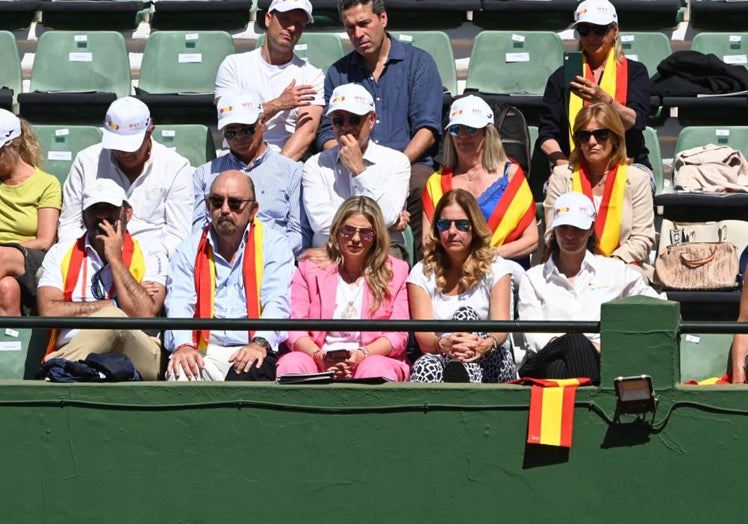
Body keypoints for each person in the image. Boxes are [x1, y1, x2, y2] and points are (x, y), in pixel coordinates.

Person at [317, 0, 443, 257]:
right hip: (350, 161)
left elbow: (427, 129)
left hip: (409, 164)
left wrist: (393, 169)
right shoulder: (338, 73)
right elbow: (327, 133)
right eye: (350, 27)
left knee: (424, 182)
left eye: (364, 23)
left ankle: (424, 269)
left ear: (383, 19)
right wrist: (345, 162)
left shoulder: (418, 63)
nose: (358, 34)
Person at [519, 192, 664, 384]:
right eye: (563, 228)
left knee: (564, 363)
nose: (570, 235)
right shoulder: (533, 277)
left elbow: (658, 306)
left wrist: (606, 345)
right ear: (554, 230)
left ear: (590, 230)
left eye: (578, 228)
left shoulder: (614, 270)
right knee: (574, 342)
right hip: (547, 357)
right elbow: (535, 334)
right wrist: (585, 345)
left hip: (596, 360)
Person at [165, 170, 294, 382]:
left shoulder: (274, 245)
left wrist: (259, 343)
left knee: (249, 372)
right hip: (203, 350)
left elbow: (276, 303)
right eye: (217, 202)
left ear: (253, 209)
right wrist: (183, 346)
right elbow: (180, 302)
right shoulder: (189, 248)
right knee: (179, 372)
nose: (224, 210)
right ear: (208, 206)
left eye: (234, 203)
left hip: (252, 347)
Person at [37, 179, 167, 381]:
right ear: (83, 216)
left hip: (139, 354)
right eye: (94, 209)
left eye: (110, 208)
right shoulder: (61, 252)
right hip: (74, 347)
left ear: (128, 213)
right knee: (112, 314)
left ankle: (58, 371)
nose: (101, 216)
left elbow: (145, 313)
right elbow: (48, 311)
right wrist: (114, 304)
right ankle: (71, 370)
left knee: (112, 319)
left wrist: (116, 259)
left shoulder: (152, 252)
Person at [277, 196, 410, 381]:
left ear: (377, 236)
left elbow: (398, 334)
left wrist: (363, 354)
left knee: (374, 368)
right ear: (336, 231)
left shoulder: (396, 272)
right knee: (292, 364)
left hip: (370, 357)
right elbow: (293, 328)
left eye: (365, 233)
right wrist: (319, 356)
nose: (356, 239)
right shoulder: (309, 268)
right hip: (317, 358)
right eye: (348, 230)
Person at [57, 96, 193, 259]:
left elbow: (178, 234)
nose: (123, 152)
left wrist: (148, 263)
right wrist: (80, 259)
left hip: (151, 259)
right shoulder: (86, 160)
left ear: (150, 131)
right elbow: (69, 225)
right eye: (117, 144)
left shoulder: (176, 166)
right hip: (93, 256)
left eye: (130, 145)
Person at [408, 189, 516, 383]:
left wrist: (483, 344)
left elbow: (501, 330)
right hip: (442, 353)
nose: (451, 232)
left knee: (464, 315)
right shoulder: (421, 272)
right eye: (444, 224)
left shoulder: (496, 266)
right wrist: (445, 344)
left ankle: (462, 391)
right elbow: (425, 340)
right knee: (424, 366)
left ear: (474, 228)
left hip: (489, 355)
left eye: (461, 225)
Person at [423, 95, 538, 277]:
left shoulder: (511, 176)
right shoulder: (436, 182)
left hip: (501, 269)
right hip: (451, 271)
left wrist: (484, 257)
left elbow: (531, 240)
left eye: (471, 129)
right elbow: (428, 241)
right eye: (455, 129)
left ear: (487, 133)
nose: (462, 136)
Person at [538, 0, 651, 184]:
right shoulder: (561, 77)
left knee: (634, 185)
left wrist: (604, 99)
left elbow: (635, 121)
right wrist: (563, 164)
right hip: (575, 164)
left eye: (599, 30)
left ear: (615, 31)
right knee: (556, 186)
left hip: (629, 162)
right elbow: (547, 133)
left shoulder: (635, 72)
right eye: (584, 30)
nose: (592, 37)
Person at [193, 92, 308, 258]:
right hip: (218, 261)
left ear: (262, 123)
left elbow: (299, 233)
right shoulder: (204, 174)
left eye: (247, 130)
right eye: (231, 132)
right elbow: (198, 229)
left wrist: (264, 256)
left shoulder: (292, 171)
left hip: (273, 263)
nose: (239, 137)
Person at [544, 102, 655, 268]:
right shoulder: (562, 176)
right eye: (584, 136)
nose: (592, 141)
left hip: (622, 265)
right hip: (572, 263)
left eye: (601, 135)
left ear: (616, 138)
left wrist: (610, 266)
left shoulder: (637, 179)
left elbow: (642, 239)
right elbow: (552, 233)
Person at [303, 82, 409, 254]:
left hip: (378, 253)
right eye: (338, 121)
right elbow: (320, 222)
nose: (346, 128)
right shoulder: (315, 165)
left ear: (372, 120)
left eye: (354, 120)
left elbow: (387, 215)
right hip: (331, 252)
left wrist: (359, 171)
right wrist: (377, 225)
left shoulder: (396, 161)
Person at [214, 0, 323, 161]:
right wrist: (278, 104)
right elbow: (231, 119)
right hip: (236, 157)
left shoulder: (312, 75)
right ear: (268, 19)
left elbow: (307, 132)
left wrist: (274, 169)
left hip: (285, 161)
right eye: (285, 19)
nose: (292, 28)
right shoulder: (233, 65)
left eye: (299, 23)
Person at [0, 110, 61, 316]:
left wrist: (6, 250)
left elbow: (44, 241)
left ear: (15, 145)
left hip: (32, 258)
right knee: (7, 288)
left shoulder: (47, 184)